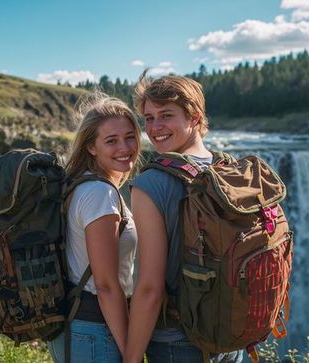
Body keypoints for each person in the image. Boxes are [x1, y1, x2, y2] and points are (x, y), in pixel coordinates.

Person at [124, 72, 243, 363]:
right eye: (149, 118)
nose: (155, 127)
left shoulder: (151, 183)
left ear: (194, 117)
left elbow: (151, 289)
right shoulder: (230, 171)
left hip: (178, 342)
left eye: (166, 115)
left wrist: (130, 358)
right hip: (229, 337)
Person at [47, 93, 141, 363]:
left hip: (76, 327)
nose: (124, 147)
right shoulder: (100, 195)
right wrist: (131, 353)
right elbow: (106, 285)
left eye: (130, 136)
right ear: (91, 147)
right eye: (111, 140)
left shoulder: (77, 185)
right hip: (96, 330)